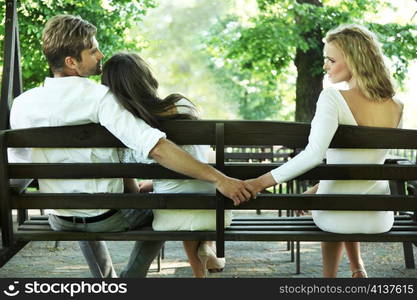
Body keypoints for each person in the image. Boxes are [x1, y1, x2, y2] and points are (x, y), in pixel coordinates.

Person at [8, 15, 255, 278]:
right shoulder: (101, 99)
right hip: (108, 218)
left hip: (59, 218)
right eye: (92, 51)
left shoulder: (23, 103)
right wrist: (219, 179)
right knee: (163, 208)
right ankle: (131, 279)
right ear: (72, 62)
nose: (100, 55)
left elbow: (18, 170)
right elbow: (156, 147)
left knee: (81, 201)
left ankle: (109, 282)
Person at [245, 24, 403, 278]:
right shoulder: (397, 106)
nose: (326, 66)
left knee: (334, 204)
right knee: (340, 198)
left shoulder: (332, 98)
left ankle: (328, 279)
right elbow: (367, 163)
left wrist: (259, 182)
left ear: (353, 60)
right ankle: (357, 267)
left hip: (336, 216)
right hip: (379, 218)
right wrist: (318, 188)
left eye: (331, 59)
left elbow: (313, 155)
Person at [101, 52, 232, 277]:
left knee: (173, 202)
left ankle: (200, 268)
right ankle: (207, 251)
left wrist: (151, 185)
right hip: (216, 213)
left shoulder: (127, 131)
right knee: (193, 195)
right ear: (147, 79)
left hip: (170, 217)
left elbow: (132, 190)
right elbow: (195, 159)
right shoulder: (180, 105)